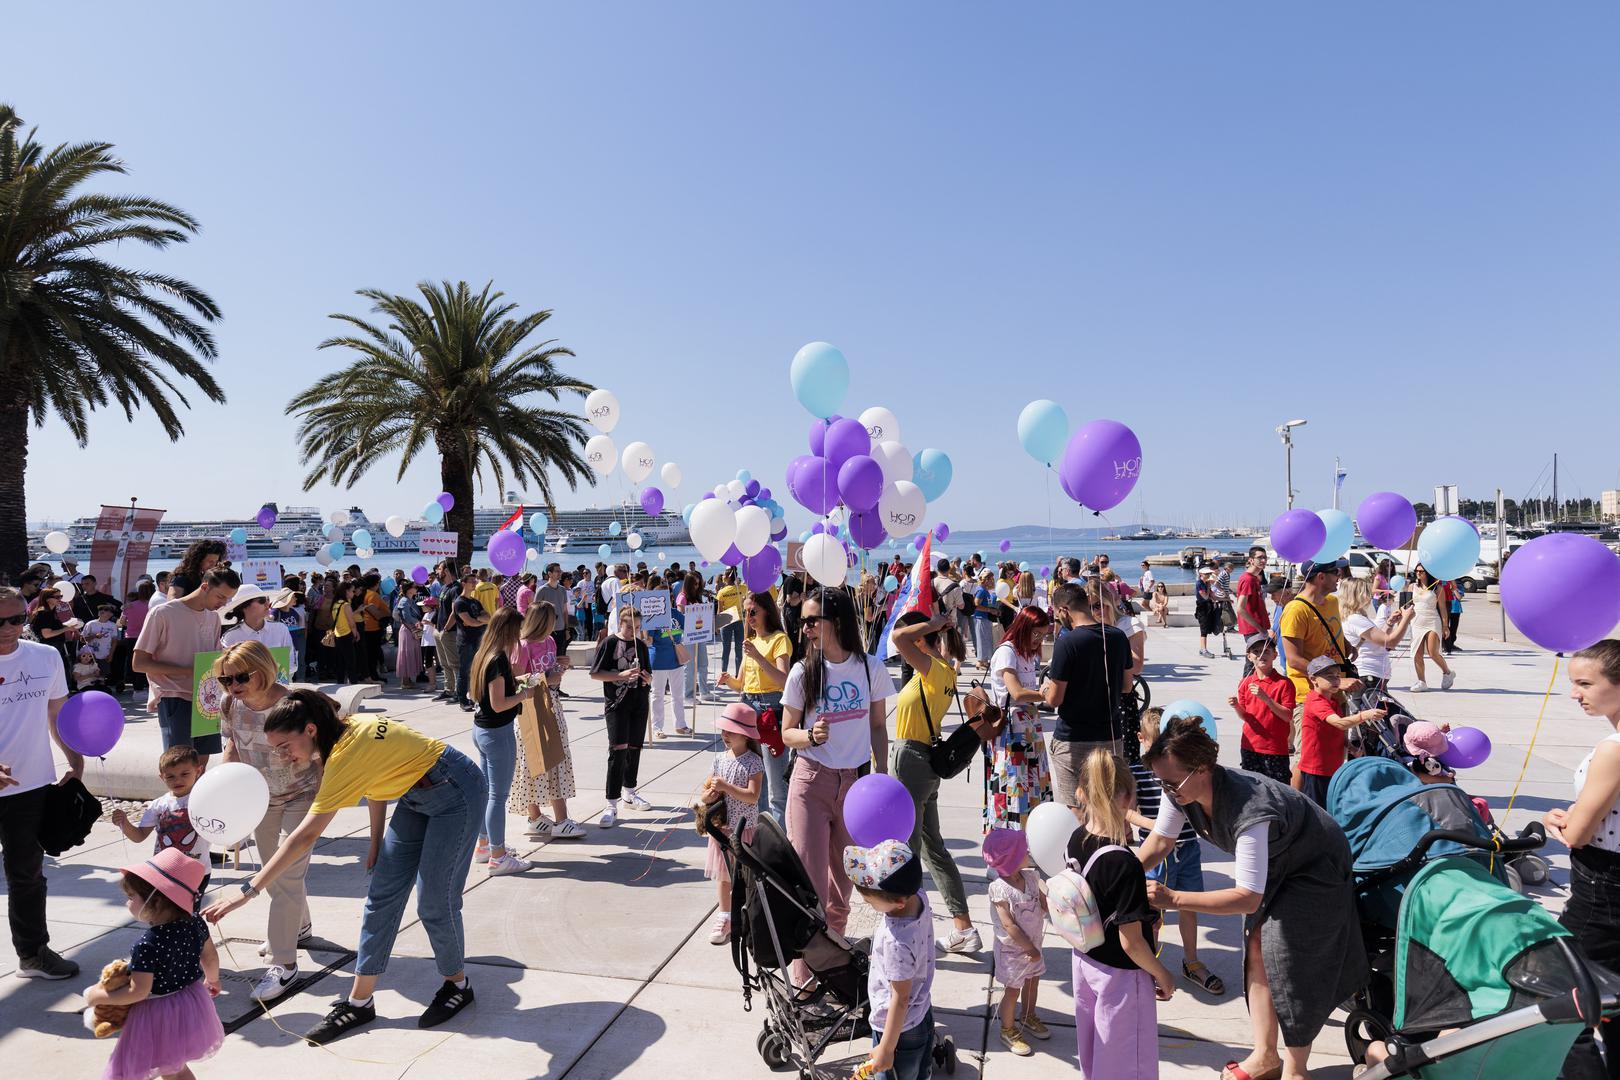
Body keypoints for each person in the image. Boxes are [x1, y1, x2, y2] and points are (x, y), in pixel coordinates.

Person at [203, 690, 484, 1044]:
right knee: (381, 897)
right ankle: (359, 1001)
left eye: (285, 746)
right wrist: (376, 840)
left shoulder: (344, 754)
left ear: (309, 730)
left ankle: (458, 984)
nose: (283, 756)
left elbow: (302, 838)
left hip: (456, 790)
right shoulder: (344, 733)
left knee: (434, 902)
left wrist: (247, 892)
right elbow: (380, 776)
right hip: (416, 794)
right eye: (276, 749)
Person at [1141, 716, 1367, 1080]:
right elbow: (1161, 842)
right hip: (1279, 864)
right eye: (1160, 781)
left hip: (1316, 868)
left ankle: (1296, 1070)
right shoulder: (1181, 790)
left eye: (1170, 781)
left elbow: (1246, 897)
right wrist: (1122, 873)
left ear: (1202, 769)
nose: (1165, 789)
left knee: (1293, 963)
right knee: (1258, 949)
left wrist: (1175, 899)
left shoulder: (1250, 808)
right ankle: (1265, 1056)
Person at [781, 587, 897, 946]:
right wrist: (810, 737)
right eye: (803, 623)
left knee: (843, 887)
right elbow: (787, 733)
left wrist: (880, 771)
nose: (806, 629)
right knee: (809, 884)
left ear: (838, 621)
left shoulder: (869, 667)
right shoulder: (802, 672)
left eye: (813, 621)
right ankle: (805, 975)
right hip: (811, 782)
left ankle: (832, 961)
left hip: (856, 786)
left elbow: (878, 726)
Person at [210, 641, 320, 1003]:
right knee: (276, 870)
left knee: (285, 874)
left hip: (304, 794)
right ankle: (297, 927)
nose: (233, 685)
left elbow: (327, 745)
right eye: (226, 679)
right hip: (261, 797)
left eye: (241, 676)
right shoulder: (230, 704)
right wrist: (223, 787)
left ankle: (284, 964)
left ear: (263, 668)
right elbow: (232, 747)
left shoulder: (296, 703)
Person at [1064, 750, 1174, 1078]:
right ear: (1126, 797)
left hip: (1085, 963)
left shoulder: (1075, 840)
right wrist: (1162, 974)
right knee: (1127, 1066)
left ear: (1082, 793)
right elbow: (1132, 943)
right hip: (1122, 979)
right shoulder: (1124, 863)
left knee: (1095, 1055)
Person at [0, 586, 84, 980]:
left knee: (28, 876)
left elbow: (57, 715)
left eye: (16, 619)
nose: (8, 628)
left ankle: (33, 954)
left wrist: (75, 759)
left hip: (31, 785)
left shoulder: (45, 657)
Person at [1546, 640, 1620, 1080]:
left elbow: (1578, 836)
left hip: (1601, 890)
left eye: (1585, 683)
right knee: (1612, 1002)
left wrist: (1559, 822)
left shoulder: (1613, 748)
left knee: (1564, 1000)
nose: (1576, 694)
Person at [888, 610, 979, 954]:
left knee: (907, 847)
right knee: (932, 847)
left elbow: (897, 639)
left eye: (914, 636)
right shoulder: (942, 669)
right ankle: (963, 927)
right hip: (924, 761)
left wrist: (931, 624)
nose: (904, 645)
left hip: (912, 759)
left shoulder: (931, 668)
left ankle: (907, 930)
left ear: (923, 639)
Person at [91, 849, 223, 1080]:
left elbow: (138, 991)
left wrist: (97, 996)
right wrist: (212, 980)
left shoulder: (147, 944)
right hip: (190, 1003)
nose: (127, 902)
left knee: (135, 1070)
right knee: (175, 1066)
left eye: (131, 897)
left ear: (156, 901)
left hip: (157, 1015)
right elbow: (210, 957)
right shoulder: (195, 923)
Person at [844, 839, 936, 1080]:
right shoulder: (920, 897)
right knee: (920, 1069)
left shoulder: (898, 941)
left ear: (898, 902)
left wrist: (886, 1047)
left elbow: (900, 998)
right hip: (922, 1010)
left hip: (898, 1029)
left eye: (869, 901)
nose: (867, 903)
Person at [1042, 581, 1132, 813]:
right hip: (1110, 734)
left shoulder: (1067, 642)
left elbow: (1055, 700)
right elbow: (1127, 686)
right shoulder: (1118, 636)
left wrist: (1044, 690)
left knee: (1076, 807)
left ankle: (1082, 849)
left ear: (1064, 610)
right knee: (1109, 804)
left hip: (1073, 738)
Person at [134, 567, 238, 765]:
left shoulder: (213, 617)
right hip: (174, 696)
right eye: (220, 596)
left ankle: (196, 797)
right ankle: (181, 798)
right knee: (179, 763)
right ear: (205, 586)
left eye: (228, 599)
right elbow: (139, 663)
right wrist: (188, 670)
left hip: (207, 698)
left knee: (201, 761)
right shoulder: (162, 613)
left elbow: (212, 658)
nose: (223, 603)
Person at [466, 608, 537, 875]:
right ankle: (498, 855)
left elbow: (488, 696)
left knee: (487, 793)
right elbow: (498, 704)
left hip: (482, 730)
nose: (519, 636)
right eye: (517, 631)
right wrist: (524, 694)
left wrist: (517, 684)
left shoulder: (484, 654)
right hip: (497, 732)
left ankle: (485, 845)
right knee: (497, 796)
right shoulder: (497, 658)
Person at [716, 591, 793, 822]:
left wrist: (758, 657)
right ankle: (758, 833)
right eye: (746, 612)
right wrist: (728, 679)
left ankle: (779, 839)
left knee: (776, 783)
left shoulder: (779, 639)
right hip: (748, 709)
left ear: (766, 611)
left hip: (770, 710)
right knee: (755, 778)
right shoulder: (750, 642)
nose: (748, 617)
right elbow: (742, 686)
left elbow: (784, 680)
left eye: (753, 612)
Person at [510, 602, 583, 841]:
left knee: (554, 757)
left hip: (551, 703)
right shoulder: (523, 646)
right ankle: (556, 819)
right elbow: (516, 680)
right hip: (531, 708)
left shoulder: (550, 641)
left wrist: (558, 668)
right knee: (537, 760)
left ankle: (540, 817)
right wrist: (546, 677)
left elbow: (549, 674)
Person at [1278, 559, 1350, 786]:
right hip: (1308, 695)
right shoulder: (1295, 610)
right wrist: (1335, 681)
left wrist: (1347, 645)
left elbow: (1333, 633)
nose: (1339, 576)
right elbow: (1294, 659)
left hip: (1337, 692)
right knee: (1306, 757)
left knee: (1337, 752)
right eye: (1335, 572)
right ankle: (1296, 809)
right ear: (1320, 577)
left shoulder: (1331, 602)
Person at [701, 703, 763, 946]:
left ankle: (747, 914)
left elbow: (753, 796)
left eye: (731, 731)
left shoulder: (753, 762)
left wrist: (726, 787)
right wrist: (709, 797)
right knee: (724, 877)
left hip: (744, 829)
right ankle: (725, 917)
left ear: (746, 735)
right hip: (723, 828)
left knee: (745, 876)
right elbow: (706, 792)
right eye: (724, 731)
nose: (725, 735)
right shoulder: (719, 759)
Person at [986, 606, 1053, 831]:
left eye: (1043, 635)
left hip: (1027, 727)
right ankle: (1010, 842)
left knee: (1031, 785)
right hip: (1012, 730)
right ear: (1023, 628)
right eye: (1036, 633)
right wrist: (1045, 693)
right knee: (1014, 786)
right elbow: (1016, 692)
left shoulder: (1025, 653)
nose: (1038, 640)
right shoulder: (1007, 652)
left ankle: (1027, 838)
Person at [983, 829, 1048, 1058]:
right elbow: (1009, 925)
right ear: (1011, 859)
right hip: (1013, 950)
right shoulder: (1000, 889)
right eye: (1023, 851)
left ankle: (1028, 1015)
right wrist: (1028, 948)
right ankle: (1007, 1029)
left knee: (1033, 982)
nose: (1028, 852)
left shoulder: (1031, 877)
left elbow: (1043, 902)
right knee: (1013, 990)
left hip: (1034, 945)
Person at [109, 746, 211, 892]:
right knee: (168, 913)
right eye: (171, 776)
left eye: (184, 774)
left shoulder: (204, 800)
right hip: (165, 871)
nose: (178, 780)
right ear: (162, 777)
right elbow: (139, 836)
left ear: (198, 771)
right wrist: (124, 823)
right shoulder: (158, 805)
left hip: (197, 871)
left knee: (189, 913)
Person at [590, 605, 653, 827]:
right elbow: (595, 673)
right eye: (629, 627)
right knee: (617, 750)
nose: (633, 631)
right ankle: (611, 803)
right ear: (620, 623)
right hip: (617, 703)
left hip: (639, 701)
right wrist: (620, 675)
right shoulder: (609, 643)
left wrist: (647, 679)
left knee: (635, 747)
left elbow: (649, 674)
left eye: (637, 627)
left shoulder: (641, 646)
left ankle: (630, 791)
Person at [1297, 657, 1383, 806]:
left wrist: (1349, 746)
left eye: (1337, 676)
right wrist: (1365, 715)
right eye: (1330, 676)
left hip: (1331, 766)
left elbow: (1334, 731)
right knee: (1317, 810)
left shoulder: (1332, 702)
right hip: (1317, 769)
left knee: (1330, 807)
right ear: (1313, 679)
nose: (1336, 680)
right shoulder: (1316, 701)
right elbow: (1339, 724)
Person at [1228, 638, 1296, 784]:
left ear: (1275, 655)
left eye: (1266, 651)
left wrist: (1266, 699)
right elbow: (1245, 716)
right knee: (1251, 790)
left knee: (1278, 790)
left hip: (1275, 748)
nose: (1261, 655)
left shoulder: (1284, 683)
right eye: (1256, 652)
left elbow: (1287, 715)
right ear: (1249, 657)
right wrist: (1236, 706)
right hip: (1250, 745)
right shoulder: (1245, 682)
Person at [1337, 577, 1413, 695]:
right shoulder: (1356, 619)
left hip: (1371, 676)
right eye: (1366, 592)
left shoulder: (1354, 617)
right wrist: (1406, 619)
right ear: (1356, 595)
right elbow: (1390, 642)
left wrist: (1389, 624)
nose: (1370, 596)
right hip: (1368, 677)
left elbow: (1376, 640)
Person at [220, 584, 296, 673]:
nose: (268, 604)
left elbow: (291, 664)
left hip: (276, 685)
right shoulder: (230, 637)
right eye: (262, 600)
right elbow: (225, 670)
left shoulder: (281, 629)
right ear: (244, 606)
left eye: (267, 599)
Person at [648, 598, 692, 739]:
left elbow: (689, 627)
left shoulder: (676, 614)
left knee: (678, 694)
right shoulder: (653, 615)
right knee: (657, 695)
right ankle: (657, 727)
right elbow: (649, 639)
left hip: (676, 659)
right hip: (658, 660)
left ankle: (680, 724)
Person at [1406, 565, 1455, 693]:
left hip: (1432, 620)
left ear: (1427, 572)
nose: (1418, 573)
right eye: (1416, 571)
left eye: (1421, 571)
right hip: (1416, 621)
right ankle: (1422, 681)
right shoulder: (1412, 587)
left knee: (1433, 652)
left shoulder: (1438, 588)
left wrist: (1445, 626)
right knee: (1417, 653)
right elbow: (1406, 604)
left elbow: (1443, 608)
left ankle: (1447, 672)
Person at [452, 571, 490, 711]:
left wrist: (478, 620)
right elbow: (469, 622)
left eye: (475, 581)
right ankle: (462, 699)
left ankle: (476, 696)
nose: (474, 583)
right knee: (465, 671)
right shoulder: (460, 602)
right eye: (471, 581)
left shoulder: (475, 601)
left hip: (479, 639)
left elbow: (487, 616)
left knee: (479, 669)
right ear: (463, 584)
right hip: (466, 641)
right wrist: (479, 620)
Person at [433, 566, 464, 702]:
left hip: (449, 632)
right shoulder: (444, 587)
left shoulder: (456, 588)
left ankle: (459, 691)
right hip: (439, 630)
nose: (436, 572)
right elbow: (441, 609)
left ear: (446, 571)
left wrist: (446, 628)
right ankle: (448, 689)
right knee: (444, 663)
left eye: (439, 569)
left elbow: (454, 611)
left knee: (454, 663)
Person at [392, 581, 424, 687]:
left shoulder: (410, 600)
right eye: (414, 587)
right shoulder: (404, 601)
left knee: (411, 653)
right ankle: (405, 681)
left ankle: (408, 680)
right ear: (409, 589)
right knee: (406, 654)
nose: (416, 589)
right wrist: (417, 622)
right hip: (408, 630)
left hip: (413, 629)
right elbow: (406, 617)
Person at [1195, 567, 1222, 658]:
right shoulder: (1199, 583)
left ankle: (1203, 649)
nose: (1209, 575)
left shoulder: (1206, 583)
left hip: (1208, 607)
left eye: (1209, 574)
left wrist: (1226, 599)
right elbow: (1206, 597)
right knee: (1204, 630)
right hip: (1202, 608)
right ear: (1201, 574)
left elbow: (1212, 596)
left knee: (1207, 629)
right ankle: (1203, 650)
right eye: (1207, 574)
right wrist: (1208, 587)